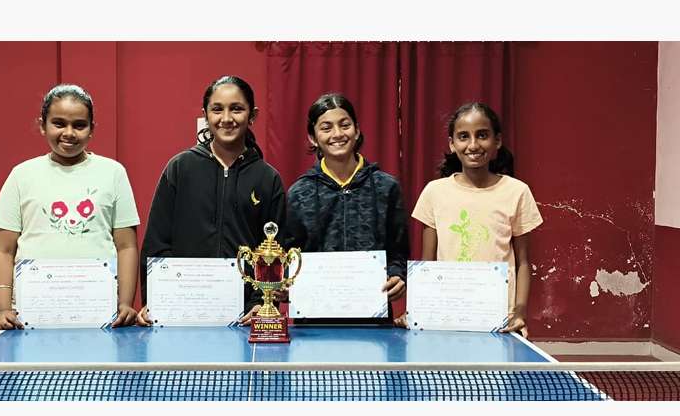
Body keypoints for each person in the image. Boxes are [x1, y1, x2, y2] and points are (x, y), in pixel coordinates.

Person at [0, 84, 143, 332]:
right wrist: (3, 309)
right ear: (42, 125)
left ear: (92, 129)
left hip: (99, 311)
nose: (69, 133)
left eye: (79, 125)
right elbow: (3, 250)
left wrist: (124, 303)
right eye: (58, 123)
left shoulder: (114, 173)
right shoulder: (21, 175)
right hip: (32, 312)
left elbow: (126, 245)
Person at [138, 75, 286, 325]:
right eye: (217, 109)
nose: (226, 118)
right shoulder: (180, 168)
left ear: (252, 115)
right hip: (181, 310)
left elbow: (275, 250)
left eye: (237, 109)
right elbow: (157, 242)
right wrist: (155, 299)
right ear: (205, 114)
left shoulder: (267, 178)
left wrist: (261, 303)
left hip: (244, 316)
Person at [411, 102, 542, 337]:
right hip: (446, 316)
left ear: (497, 141)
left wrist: (519, 311)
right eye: (463, 137)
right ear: (452, 144)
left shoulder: (517, 191)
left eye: (482, 135)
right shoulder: (434, 192)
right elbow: (427, 264)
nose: (473, 145)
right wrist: (417, 310)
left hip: (498, 319)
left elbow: (523, 262)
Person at [284, 92, 410, 326]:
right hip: (313, 323)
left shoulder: (386, 187)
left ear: (357, 130)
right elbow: (289, 254)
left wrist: (398, 276)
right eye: (326, 127)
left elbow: (398, 251)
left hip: (374, 321)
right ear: (313, 137)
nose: (337, 134)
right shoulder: (299, 193)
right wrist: (286, 282)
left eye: (345, 125)